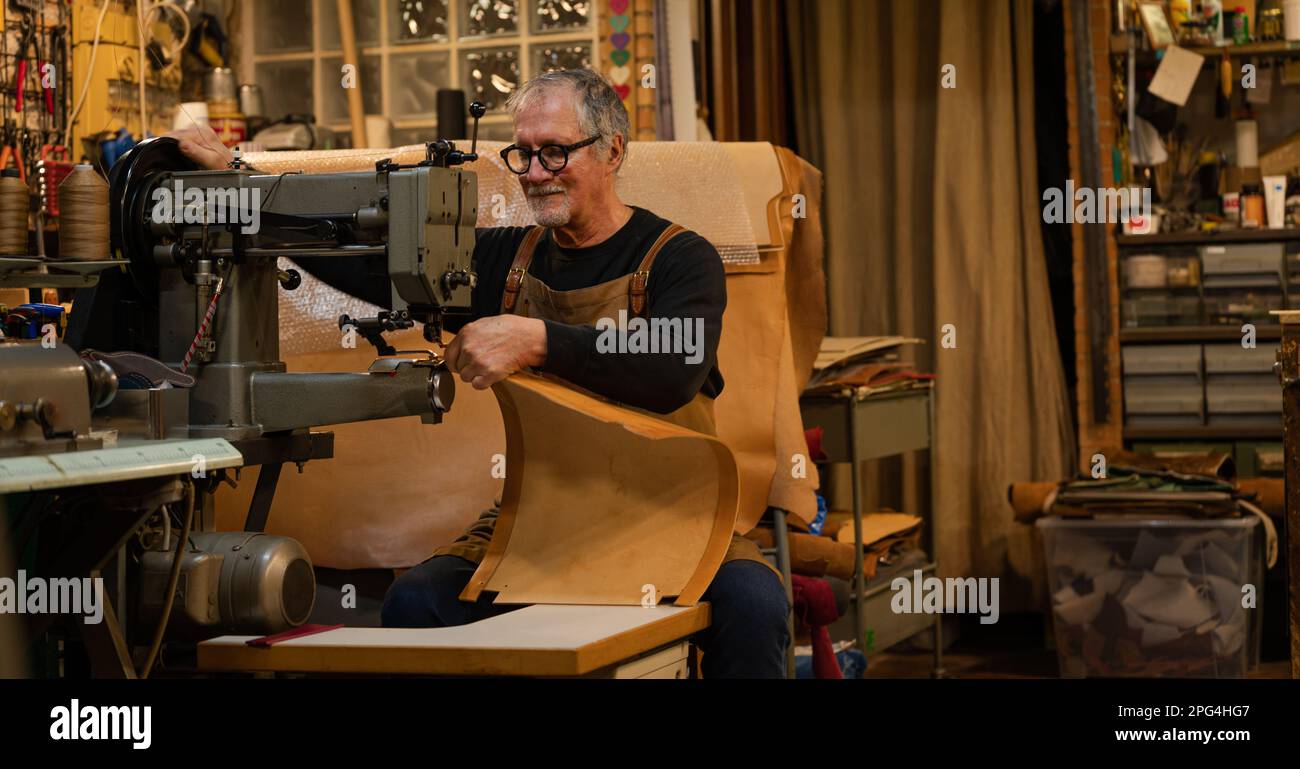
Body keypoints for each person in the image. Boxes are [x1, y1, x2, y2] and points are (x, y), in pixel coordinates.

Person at [170, 69, 790, 677]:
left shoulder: (680, 258)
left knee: (756, 607)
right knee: (417, 604)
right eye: (522, 156)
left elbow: (672, 370)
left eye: (554, 152)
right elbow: (369, 265)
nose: (536, 174)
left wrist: (539, 340)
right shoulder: (505, 260)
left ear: (613, 151)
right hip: (545, 515)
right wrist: (242, 182)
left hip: (674, 514)